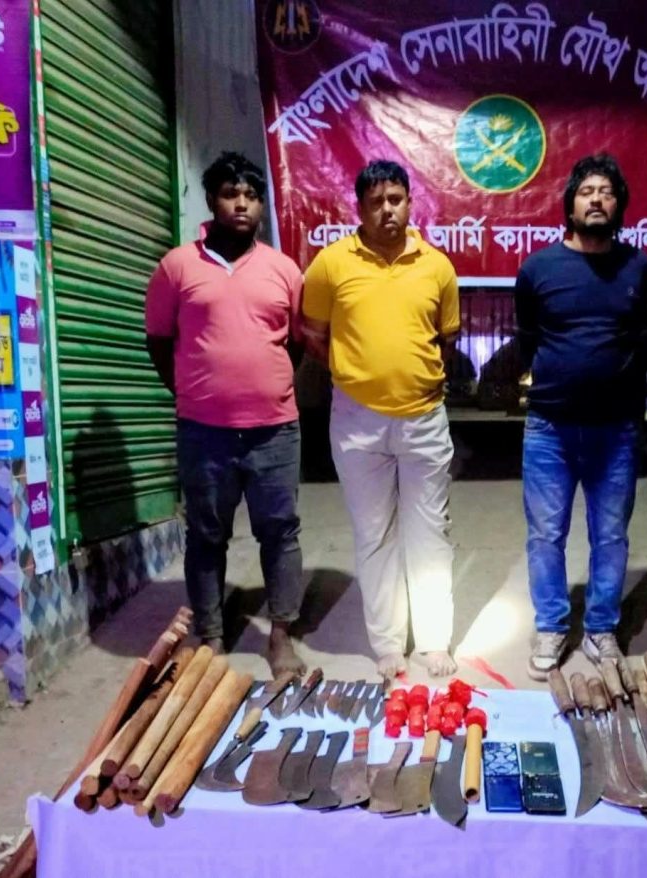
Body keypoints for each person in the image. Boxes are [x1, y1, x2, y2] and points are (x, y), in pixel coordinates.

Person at [145, 151, 307, 675]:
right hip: (204, 432)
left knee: (279, 531)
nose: (242, 204)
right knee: (206, 534)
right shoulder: (177, 266)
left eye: (252, 196)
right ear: (212, 201)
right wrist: (195, 392)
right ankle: (211, 635)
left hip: (274, 431)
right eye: (230, 194)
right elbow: (159, 340)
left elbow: (296, 343)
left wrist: (261, 385)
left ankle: (280, 635)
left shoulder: (283, 270)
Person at [302, 159, 460, 678]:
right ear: (360, 209)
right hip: (356, 421)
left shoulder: (437, 266)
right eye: (376, 202)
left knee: (429, 532)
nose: (387, 210)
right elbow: (313, 333)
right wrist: (354, 374)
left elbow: (447, 337)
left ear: (410, 203)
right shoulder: (330, 264)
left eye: (395, 200)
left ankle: (433, 641)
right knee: (374, 532)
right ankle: (389, 644)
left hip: (424, 417)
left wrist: (411, 376)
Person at [514, 153, 647, 681]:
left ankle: (600, 628)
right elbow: (528, 337)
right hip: (549, 428)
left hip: (615, 430)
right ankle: (552, 626)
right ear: (570, 205)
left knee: (611, 535)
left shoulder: (638, 267)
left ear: (619, 206)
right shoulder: (538, 269)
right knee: (545, 534)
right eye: (586, 191)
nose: (597, 199)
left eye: (607, 192)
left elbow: (637, 336)